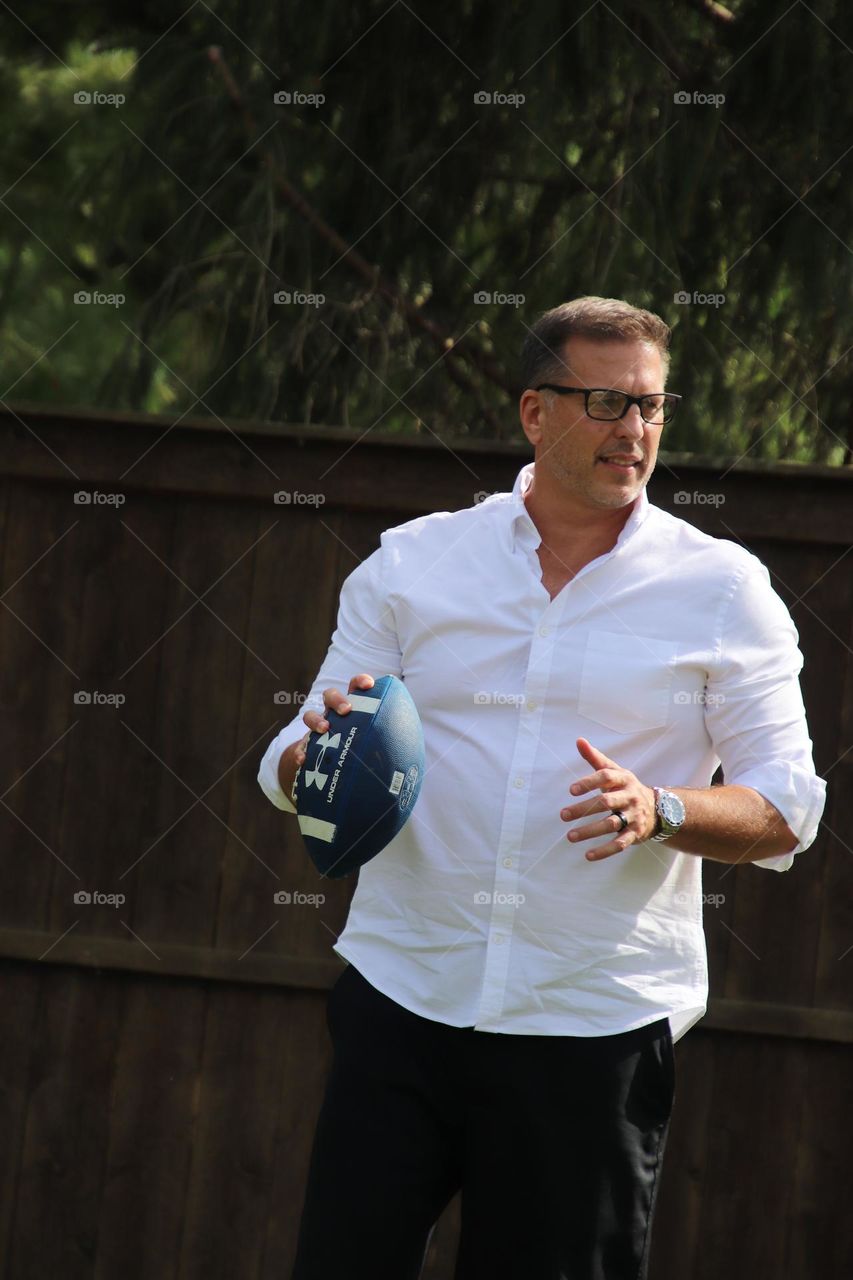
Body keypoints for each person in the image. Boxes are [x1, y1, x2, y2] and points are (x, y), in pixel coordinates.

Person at [257, 296, 826, 1280]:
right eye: (606, 403)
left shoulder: (724, 591)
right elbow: (290, 756)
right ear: (533, 412)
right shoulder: (414, 564)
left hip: (590, 1027)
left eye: (651, 406)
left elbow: (788, 806)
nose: (635, 431)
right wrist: (308, 762)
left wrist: (664, 807)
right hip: (404, 999)